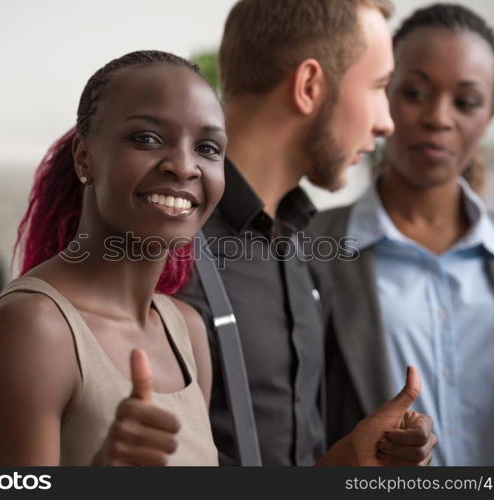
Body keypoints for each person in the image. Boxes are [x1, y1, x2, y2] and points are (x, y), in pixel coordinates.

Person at [177, 0, 437, 466]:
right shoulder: (161, 247)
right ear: (310, 85)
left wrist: (362, 454)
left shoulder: (307, 252)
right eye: (379, 86)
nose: (387, 122)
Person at [307, 3, 494, 465]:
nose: (438, 118)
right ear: (384, 93)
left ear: (491, 112)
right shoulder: (312, 246)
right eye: (415, 92)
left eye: (466, 102)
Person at [0, 50, 227, 465]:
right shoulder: (34, 329)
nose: (183, 166)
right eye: (146, 138)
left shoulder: (187, 331)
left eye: (208, 147)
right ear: (85, 158)